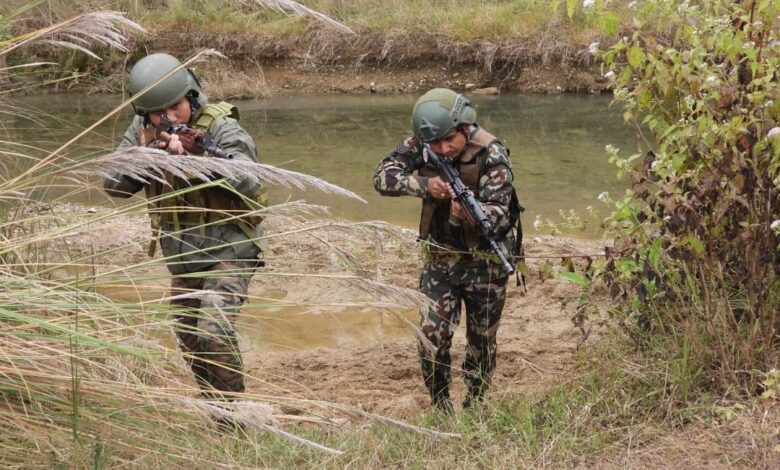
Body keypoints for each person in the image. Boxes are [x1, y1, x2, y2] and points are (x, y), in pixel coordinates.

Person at [104, 53, 265, 401]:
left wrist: (201, 155)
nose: (168, 118)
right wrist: (146, 155)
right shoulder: (142, 132)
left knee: (214, 332)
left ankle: (232, 417)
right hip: (184, 257)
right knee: (191, 341)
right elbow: (113, 186)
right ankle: (216, 411)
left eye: (175, 107)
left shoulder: (221, 127)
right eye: (158, 112)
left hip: (231, 247)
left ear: (190, 96)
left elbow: (252, 182)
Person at [373, 88, 522, 412]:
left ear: (464, 127)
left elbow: (500, 211)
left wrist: (465, 215)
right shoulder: (423, 144)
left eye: (449, 140)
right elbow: (383, 177)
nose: (443, 148)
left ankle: (475, 404)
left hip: (486, 262)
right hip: (441, 259)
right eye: (436, 143)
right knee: (431, 336)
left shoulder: (492, 154)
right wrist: (426, 187)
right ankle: (440, 404)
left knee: (482, 340)